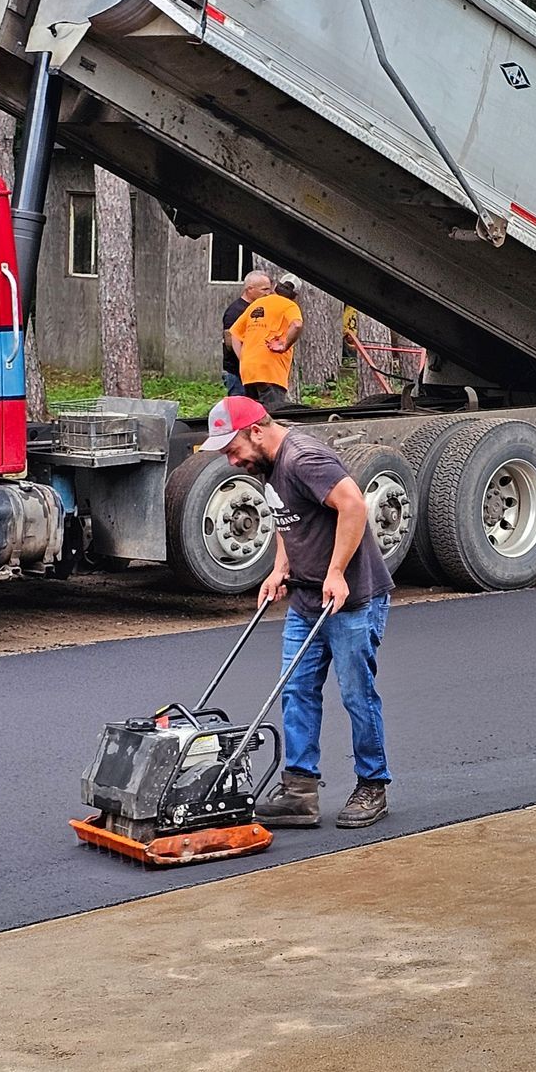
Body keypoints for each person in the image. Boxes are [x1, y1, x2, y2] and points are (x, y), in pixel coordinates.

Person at [198, 395, 394, 829]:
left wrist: (337, 572)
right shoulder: (268, 467)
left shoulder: (304, 458)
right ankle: (300, 791)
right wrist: (280, 567)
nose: (231, 461)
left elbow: (354, 505)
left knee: (355, 695)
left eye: (232, 449)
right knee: (295, 692)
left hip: (351, 599)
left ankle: (373, 784)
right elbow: (289, 517)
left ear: (256, 431)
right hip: (306, 600)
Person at [230, 273, 304, 408]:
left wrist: (243, 358)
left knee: (253, 416)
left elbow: (234, 333)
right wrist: (285, 345)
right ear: (295, 295)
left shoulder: (256, 304)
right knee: (272, 416)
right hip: (270, 371)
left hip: (249, 371)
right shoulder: (289, 306)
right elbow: (297, 325)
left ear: (276, 287)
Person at [220, 271, 272, 398]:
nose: (268, 293)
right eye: (264, 289)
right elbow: (230, 343)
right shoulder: (235, 312)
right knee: (240, 411)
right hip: (237, 373)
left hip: (255, 373)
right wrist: (247, 363)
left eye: (269, 289)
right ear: (250, 289)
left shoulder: (259, 307)